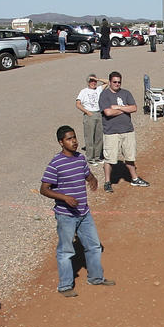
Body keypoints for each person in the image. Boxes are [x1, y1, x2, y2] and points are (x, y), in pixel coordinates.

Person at [40, 126, 115, 297]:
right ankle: (65, 286)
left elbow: (87, 174)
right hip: (66, 215)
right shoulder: (55, 163)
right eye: (69, 139)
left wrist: (93, 179)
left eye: (74, 137)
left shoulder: (80, 158)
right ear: (61, 142)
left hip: (83, 212)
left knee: (94, 246)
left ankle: (96, 277)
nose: (74, 141)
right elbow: (44, 189)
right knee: (66, 251)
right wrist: (64, 197)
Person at [99, 71, 150, 191]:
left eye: (119, 82)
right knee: (109, 158)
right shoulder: (104, 95)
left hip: (127, 130)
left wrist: (118, 107)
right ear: (110, 82)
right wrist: (125, 109)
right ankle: (107, 182)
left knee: (130, 156)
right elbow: (108, 112)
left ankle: (134, 178)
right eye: (114, 82)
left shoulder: (126, 93)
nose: (117, 84)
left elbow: (134, 108)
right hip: (111, 132)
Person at [77, 75, 104, 165]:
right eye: (91, 81)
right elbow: (78, 104)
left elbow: (108, 82)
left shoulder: (99, 89)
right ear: (88, 82)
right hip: (89, 115)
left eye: (94, 81)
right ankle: (90, 158)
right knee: (90, 137)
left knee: (99, 137)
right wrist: (87, 112)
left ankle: (97, 157)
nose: (93, 83)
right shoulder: (83, 91)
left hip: (99, 113)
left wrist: (98, 79)